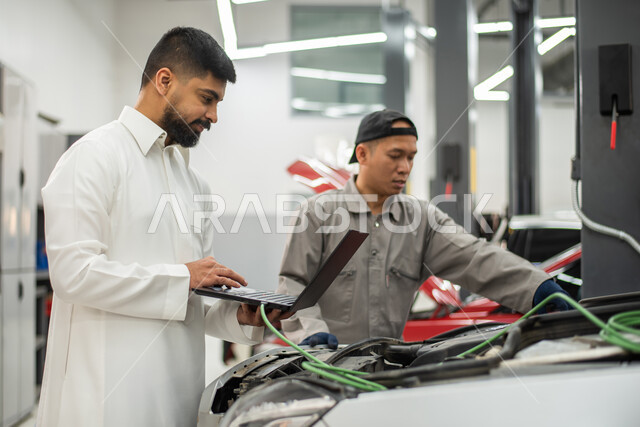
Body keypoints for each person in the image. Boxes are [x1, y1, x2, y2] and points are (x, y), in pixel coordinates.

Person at [37, 27, 290, 426]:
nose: (214, 116)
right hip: (108, 400)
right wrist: (182, 277)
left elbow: (191, 303)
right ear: (164, 80)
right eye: (207, 99)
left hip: (180, 394)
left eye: (218, 103)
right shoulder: (92, 158)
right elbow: (74, 276)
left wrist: (242, 318)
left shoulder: (193, 183)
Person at [277, 109, 569, 348]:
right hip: (323, 369)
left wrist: (536, 287)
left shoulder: (421, 220)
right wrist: (310, 336)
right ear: (362, 155)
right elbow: (293, 284)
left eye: (411, 156)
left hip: (387, 368)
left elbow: (476, 258)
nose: (405, 167)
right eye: (395, 156)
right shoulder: (318, 214)